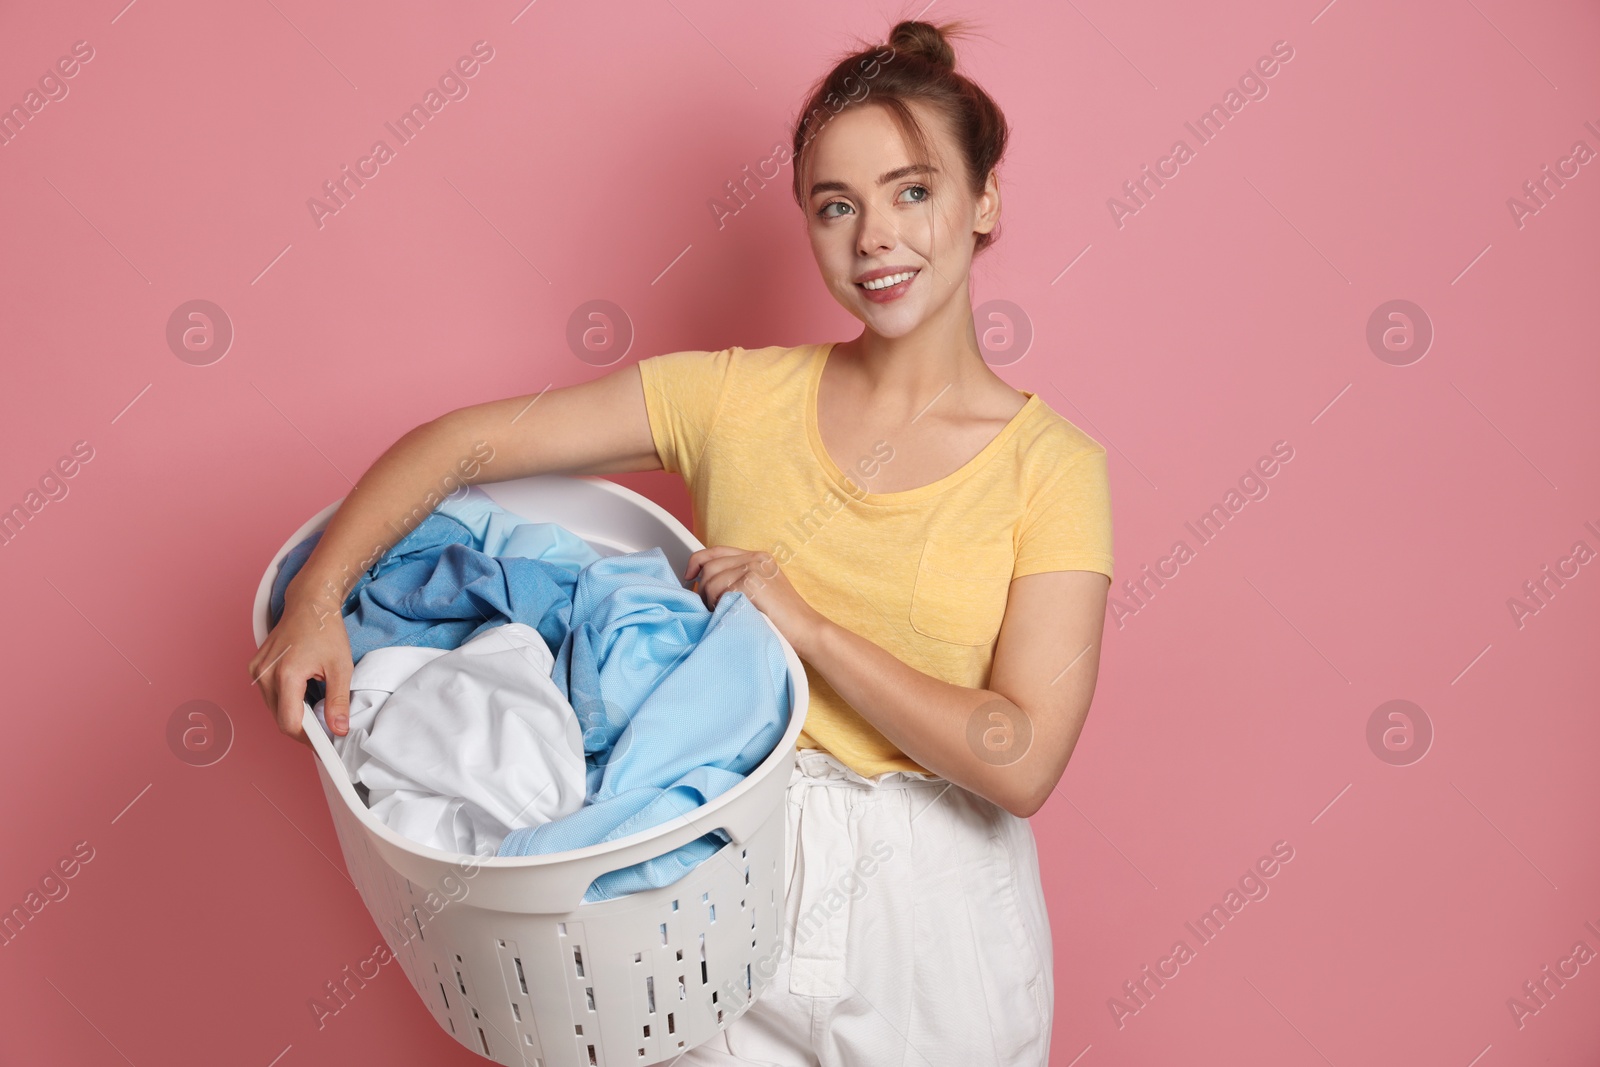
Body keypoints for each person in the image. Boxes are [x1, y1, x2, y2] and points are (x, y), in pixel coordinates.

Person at [249, 16, 1112, 1067]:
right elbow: (464, 443)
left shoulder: (1053, 467)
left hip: (940, 909)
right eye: (834, 206)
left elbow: (1019, 759)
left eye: (912, 190)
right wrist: (316, 595)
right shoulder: (729, 396)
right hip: (724, 860)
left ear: (983, 200)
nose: (874, 236)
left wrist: (804, 624)